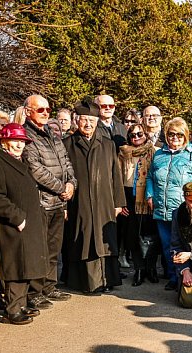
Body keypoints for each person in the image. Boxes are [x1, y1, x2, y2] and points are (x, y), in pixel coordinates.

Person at [0, 123, 49, 325]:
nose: (19, 145)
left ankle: (20, 304)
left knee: (25, 266)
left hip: (27, 222)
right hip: (11, 225)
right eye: (14, 141)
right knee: (15, 269)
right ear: (4, 141)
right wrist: (17, 217)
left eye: (21, 141)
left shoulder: (18, 160)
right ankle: (12, 310)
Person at [62, 99, 126, 294]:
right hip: (79, 201)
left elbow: (116, 174)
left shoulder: (107, 144)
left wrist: (118, 202)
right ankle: (85, 282)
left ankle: (107, 280)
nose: (88, 124)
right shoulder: (67, 144)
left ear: (97, 121)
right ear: (76, 121)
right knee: (83, 238)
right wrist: (64, 206)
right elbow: (62, 176)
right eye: (83, 120)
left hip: (105, 200)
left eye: (91, 120)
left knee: (105, 239)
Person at [22, 94, 75, 307]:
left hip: (58, 202)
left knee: (54, 247)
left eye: (47, 110)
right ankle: (34, 292)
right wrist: (62, 188)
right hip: (41, 201)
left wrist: (72, 184)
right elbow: (35, 169)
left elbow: (66, 162)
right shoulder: (26, 135)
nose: (45, 113)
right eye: (40, 109)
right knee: (39, 249)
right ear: (28, 111)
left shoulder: (52, 134)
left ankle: (48, 286)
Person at [146, 117, 192, 290]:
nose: (175, 138)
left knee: (181, 245)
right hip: (161, 208)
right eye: (171, 134)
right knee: (167, 246)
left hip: (181, 210)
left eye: (179, 135)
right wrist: (149, 195)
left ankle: (185, 275)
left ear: (185, 136)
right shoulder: (159, 155)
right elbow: (150, 176)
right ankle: (173, 277)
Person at [118, 123, 161, 286]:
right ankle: (139, 269)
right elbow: (117, 178)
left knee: (150, 235)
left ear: (146, 135)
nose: (136, 137)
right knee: (133, 235)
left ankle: (151, 268)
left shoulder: (154, 152)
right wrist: (120, 202)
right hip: (129, 196)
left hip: (148, 196)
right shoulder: (123, 153)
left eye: (140, 134)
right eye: (133, 135)